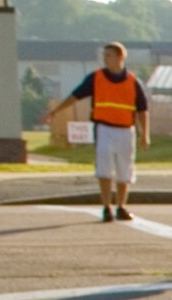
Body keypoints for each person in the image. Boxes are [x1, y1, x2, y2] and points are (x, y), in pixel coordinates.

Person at [41, 42, 148, 222]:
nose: (105, 59)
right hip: (104, 128)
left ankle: (121, 206)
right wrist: (56, 111)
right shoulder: (96, 78)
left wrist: (144, 134)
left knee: (124, 171)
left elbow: (142, 110)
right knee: (104, 169)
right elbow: (75, 95)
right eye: (104, 55)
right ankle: (106, 207)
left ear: (120, 58)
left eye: (109, 55)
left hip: (125, 130)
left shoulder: (132, 81)